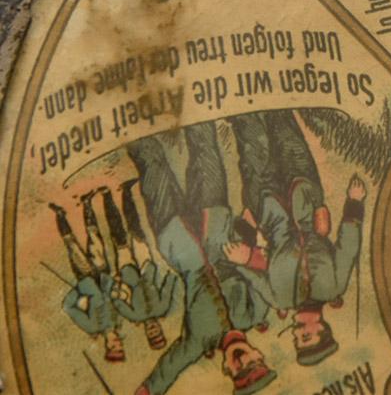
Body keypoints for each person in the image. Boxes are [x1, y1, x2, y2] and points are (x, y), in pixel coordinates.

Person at [128, 122, 276, 395]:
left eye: (240, 372)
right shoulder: (255, 313)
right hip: (216, 221)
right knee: (205, 145)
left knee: (150, 163)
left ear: (227, 371)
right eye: (253, 364)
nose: (243, 361)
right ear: (259, 354)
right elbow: (267, 273)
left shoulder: (198, 341)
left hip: (176, 238)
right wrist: (249, 253)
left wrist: (146, 392)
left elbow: (169, 367)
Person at [225, 109, 366, 367]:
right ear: (322, 328)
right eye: (306, 337)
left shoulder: (277, 299)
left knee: (251, 140)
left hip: (266, 207)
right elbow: (348, 247)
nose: (296, 334)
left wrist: (244, 248)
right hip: (305, 194)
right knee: (284, 128)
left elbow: (249, 269)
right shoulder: (334, 287)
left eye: (296, 340)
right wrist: (355, 203)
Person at [50, 193, 125, 363]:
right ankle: (87, 203)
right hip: (103, 275)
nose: (118, 343)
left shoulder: (92, 327)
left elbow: (68, 306)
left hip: (85, 278)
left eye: (115, 347)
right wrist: (115, 285)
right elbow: (114, 297)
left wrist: (80, 292)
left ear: (108, 346)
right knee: (95, 238)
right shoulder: (118, 322)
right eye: (120, 346)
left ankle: (60, 215)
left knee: (72, 245)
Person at [103, 182, 176, 351]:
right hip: (146, 267)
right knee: (135, 229)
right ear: (161, 328)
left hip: (127, 272)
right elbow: (169, 283)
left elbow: (116, 300)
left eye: (151, 333)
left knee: (119, 237)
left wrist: (117, 286)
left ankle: (106, 196)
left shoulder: (133, 316)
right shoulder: (162, 307)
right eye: (157, 331)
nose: (153, 329)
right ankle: (126, 191)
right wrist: (170, 271)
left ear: (146, 333)